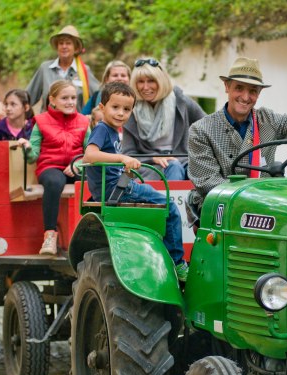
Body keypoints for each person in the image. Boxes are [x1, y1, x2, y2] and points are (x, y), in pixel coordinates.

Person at [187, 49, 287, 208]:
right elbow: (208, 183)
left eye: (252, 91)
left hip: (266, 207)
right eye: (239, 88)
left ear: (259, 93)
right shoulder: (201, 130)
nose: (245, 97)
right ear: (227, 86)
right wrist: (256, 199)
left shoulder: (268, 120)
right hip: (222, 209)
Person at [83, 82, 188, 281]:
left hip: (119, 186)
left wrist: (132, 162)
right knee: (170, 206)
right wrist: (122, 158)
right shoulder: (102, 129)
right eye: (115, 107)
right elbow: (90, 155)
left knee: (158, 200)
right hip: (118, 190)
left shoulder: (114, 132)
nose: (121, 113)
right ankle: (178, 262)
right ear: (102, 108)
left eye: (126, 109)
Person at [25, 80, 90, 255]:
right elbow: (33, 156)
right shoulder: (40, 121)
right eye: (65, 98)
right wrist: (27, 149)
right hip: (50, 166)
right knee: (54, 182)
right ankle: (50, 236)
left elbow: (90, 152)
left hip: (76, 165)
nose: (70, 102)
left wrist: (78, 165)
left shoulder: (84, 122)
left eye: (73, 98)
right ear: (52, 100)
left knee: (93, 182)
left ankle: (92, 232)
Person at [122, 58, 206, 181]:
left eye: (151, 81)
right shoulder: (130, 109)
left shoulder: (180, 101)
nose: (145, 87)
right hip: (147, 166)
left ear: (161, 81)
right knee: (173, 167)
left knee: (194, 170)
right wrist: (153, 158)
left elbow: (208, 125)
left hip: (183, 160)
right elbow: (128, 153)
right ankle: (170, 200)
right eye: (140, 82)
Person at [26, 25, 100, 113]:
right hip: (48, 124)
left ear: (76, 48)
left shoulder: (84, 70)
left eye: (68, 43)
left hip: (76, 124)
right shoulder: (45, 68)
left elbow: (98, 96)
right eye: (61, 43)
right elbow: (27, 98)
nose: (64, 46)